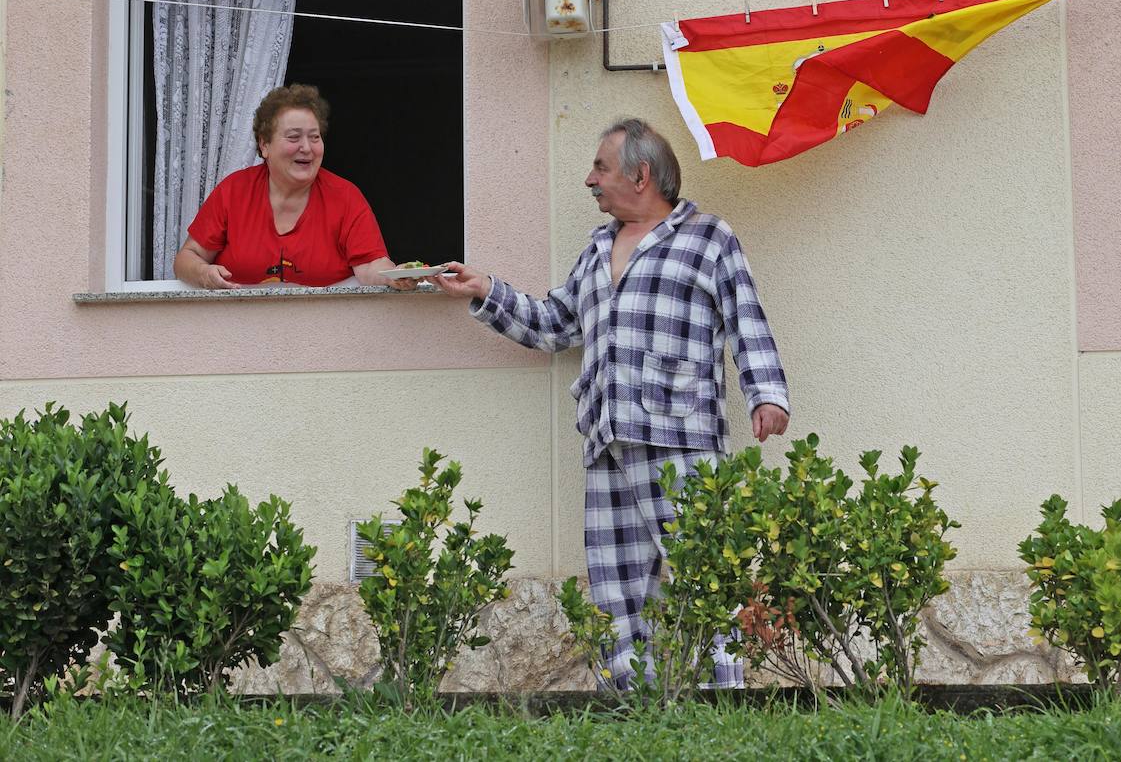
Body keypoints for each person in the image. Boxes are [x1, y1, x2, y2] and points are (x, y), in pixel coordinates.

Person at [432, 117, 790, 689]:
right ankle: (628, 700)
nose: (589, 180)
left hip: (682, 434)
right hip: (607, 437)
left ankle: (724, 696)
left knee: (705, 572)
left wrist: (766, 394)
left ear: (641, 174)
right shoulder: (598, 247)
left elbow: (745, 319)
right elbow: (556, 325)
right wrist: (486, 291)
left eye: (600, 167)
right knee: (616, 586)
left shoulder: (707, 237)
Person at [172, 84, 408, 289]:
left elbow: (370, 265)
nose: (306, 147)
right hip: (239, 331)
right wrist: (204, 274)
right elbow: (187, 258)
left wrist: (396, 276)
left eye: (315, 137)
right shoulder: (234, 191)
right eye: (294, 137)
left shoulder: (345, 197)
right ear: (264, 145)